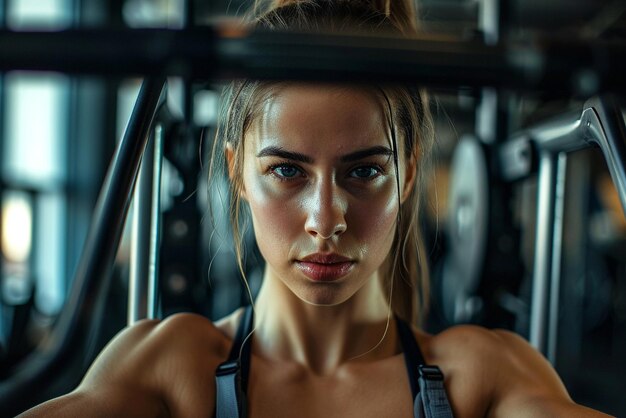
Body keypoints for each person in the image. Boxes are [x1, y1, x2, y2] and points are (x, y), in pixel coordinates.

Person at [19, 0, 612, 417]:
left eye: (364, 172)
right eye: (286, 171)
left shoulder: (480, 378)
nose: (326, 219)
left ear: (407, 175)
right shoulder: (173, 369)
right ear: (237, 173)